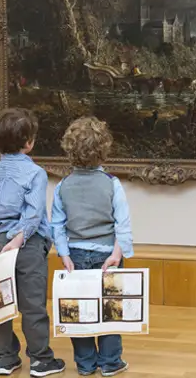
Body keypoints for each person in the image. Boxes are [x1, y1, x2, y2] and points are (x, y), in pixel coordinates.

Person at [0, 108, 66, 377]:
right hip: (27, 245)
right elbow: (34, 213)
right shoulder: (36, 173)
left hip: (0, 245)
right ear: (29, 142)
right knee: (32, 304)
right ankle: (40, 360)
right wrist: (19, 240)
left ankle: (5, 359)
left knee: (1, 305)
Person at [50, 117, 133, 377]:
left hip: (74, 255)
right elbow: (123, 223)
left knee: (78, 311)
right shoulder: (112, 184)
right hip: (108, 255)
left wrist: (64, 254)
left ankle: (85, 364)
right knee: (110, 310)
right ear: (103, 149)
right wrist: (118, 254)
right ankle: (110, 362)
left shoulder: (63, 186)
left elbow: (57, 225)